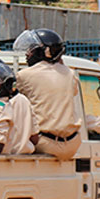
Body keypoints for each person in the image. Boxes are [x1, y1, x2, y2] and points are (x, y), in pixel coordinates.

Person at [13, 29, 82, 160]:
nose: (27, 54)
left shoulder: (25, 75)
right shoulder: (71, 74)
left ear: (45, 51)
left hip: (44, 143)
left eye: (31, 50)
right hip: (73, 143)